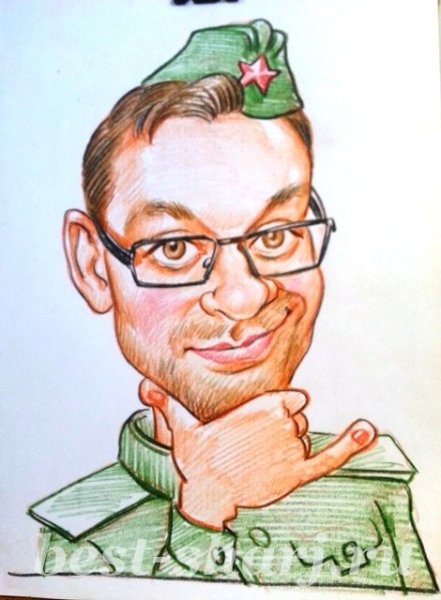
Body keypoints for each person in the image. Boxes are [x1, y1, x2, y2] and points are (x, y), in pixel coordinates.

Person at [28, 19, 437, 591]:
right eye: (173, 248)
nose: (244, 297)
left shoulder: (377, 492)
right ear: (94, 265)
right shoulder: (71, 536)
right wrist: (203, 514)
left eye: (277, 236)